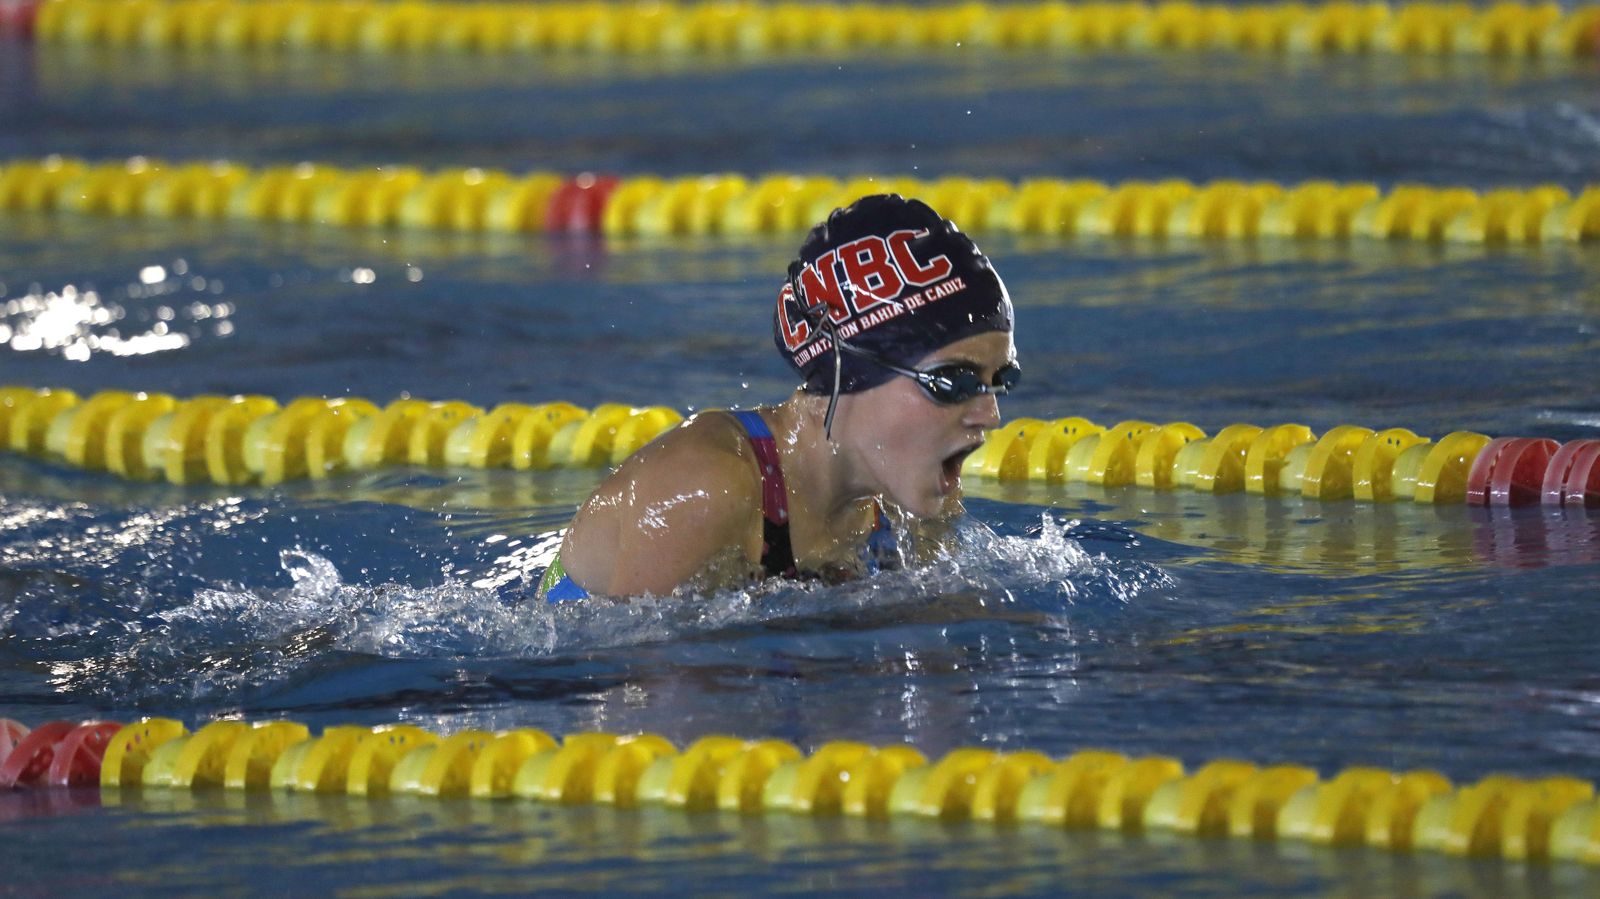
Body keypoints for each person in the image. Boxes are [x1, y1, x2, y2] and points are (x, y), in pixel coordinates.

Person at [537, 194, 1019, 600]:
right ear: (851, 370)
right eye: (952, 381)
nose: (990, 414)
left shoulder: (905, 503)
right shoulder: (705, 488)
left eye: (1000, 380)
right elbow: (630, 676)